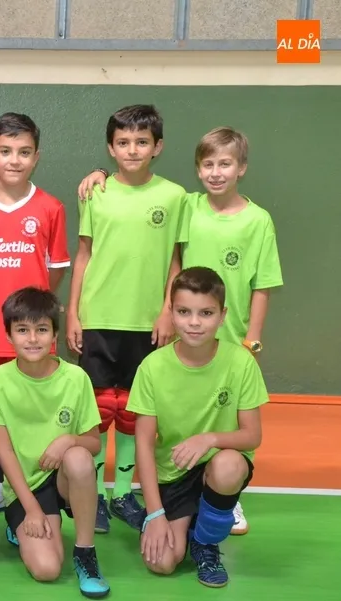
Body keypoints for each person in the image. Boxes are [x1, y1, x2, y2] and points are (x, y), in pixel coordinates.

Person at [76, 126, 283, 536]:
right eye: (208, 164)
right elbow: (139, 191)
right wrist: (100, 173)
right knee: (178, 413)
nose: (216, 172)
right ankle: (175, 488)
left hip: (231, 335)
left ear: (242, 168)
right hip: (186, 331)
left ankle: (226, 492)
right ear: (197, 169)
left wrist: (252, 340)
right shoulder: (185, 205)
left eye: (225, 164)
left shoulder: (258, 221)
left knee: (227, 415)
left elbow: (263, 285)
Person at [66, 104, 188, 534]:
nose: (132, 150)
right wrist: (74, 313)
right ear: (110, 147)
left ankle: (122, 493)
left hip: (147, 323)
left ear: (158, 147)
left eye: (141, 142)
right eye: (123, 142)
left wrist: (168, 310)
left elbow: (176, 260)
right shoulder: (95, 193)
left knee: (136, 413)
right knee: (100, 411)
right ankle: (97, 494)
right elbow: (84, 255)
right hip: (98, 317)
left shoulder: (174, 196)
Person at [128, 266, 266, 588]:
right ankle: (183, 522)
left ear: (222, 316)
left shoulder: (241, 362)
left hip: (216, 467)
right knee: (162, 563)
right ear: (171, 312)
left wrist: (209, 439)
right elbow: (144, 444)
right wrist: (155, 514)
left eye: (206, 313)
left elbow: (252, 436)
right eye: (184, 312)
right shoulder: (152, 367)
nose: (194, 322)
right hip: (173, 472)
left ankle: (205, 543)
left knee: (229, 465)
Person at [0, 287, 110, 598]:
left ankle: (85, 553)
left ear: (54, 334)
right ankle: (18, 526)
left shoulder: (76, 378)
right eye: (22, 330)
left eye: (41, 329)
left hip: (65, 478)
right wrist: (32, 510)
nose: (32, 339)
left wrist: (67, 440)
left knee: (78, 457)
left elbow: (94, 444)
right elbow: (4, 451)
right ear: (8, 335)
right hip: (26, 486)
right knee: (47, 569)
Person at [0, 112, 71, 385]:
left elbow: (55, 271)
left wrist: (33, 304)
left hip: (35, 335)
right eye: (5, 151)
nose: (14, 160)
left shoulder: (51, 208)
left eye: (24, 152)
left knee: (35, 401)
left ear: (36, 158)